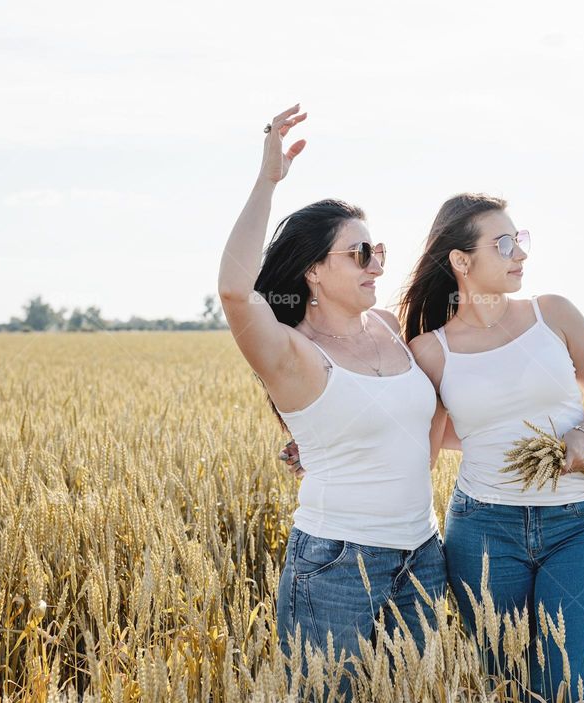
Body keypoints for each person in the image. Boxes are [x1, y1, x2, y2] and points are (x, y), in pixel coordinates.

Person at [218, 103, 447, 699]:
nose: (375, 263)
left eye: (378, 251)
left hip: (423, 552)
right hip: (338, 563)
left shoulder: (393, 330)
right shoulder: (293, 354)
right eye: (358, 253)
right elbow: (234, 290)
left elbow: (426, 423)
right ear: (315, 272)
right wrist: (268, 180)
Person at [401, 192, 584, 703]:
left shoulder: (554, 315)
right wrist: (323, 451)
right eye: (504, 243)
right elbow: (422, 441)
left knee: (574, 685)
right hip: (483, 534)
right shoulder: (430, 350)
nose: (520, 253)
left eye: (519, 239)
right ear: (461, 261)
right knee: (507, 687)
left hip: (580, 526)